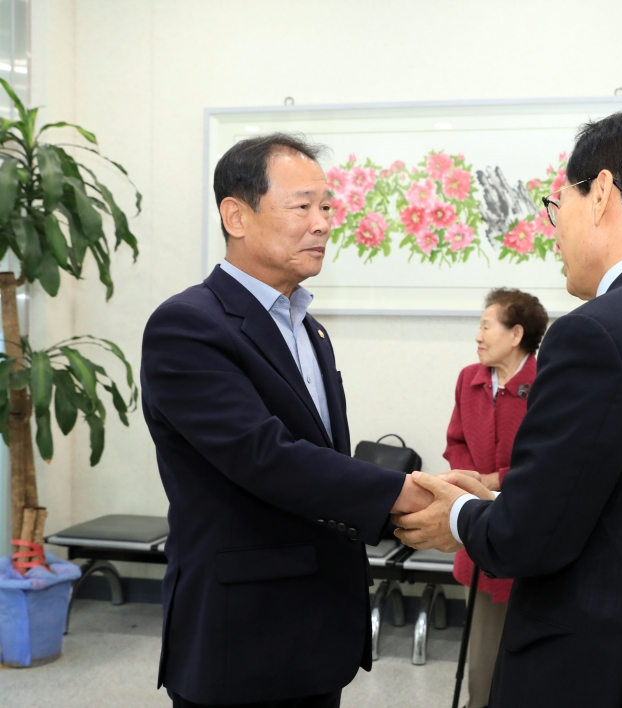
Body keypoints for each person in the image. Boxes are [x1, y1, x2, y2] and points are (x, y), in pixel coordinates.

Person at [394, 112, 622, 708]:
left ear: (601, 192)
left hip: (600, 671)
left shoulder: (594, 333)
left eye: (557, 204)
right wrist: (503, 501)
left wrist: (457, 515)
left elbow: (530, 540)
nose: (554, 227)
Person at [141, 133, 431, 708]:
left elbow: (320, 456)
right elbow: (264, 456)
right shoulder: (188, 325)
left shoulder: (306, 326)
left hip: (316, 627)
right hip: (242, 631)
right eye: (302, 207)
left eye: (327, 207)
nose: (322, 224)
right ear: (236, 216)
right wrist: (407, 493)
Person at [444, 287, 547, 708]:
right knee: (484, 661)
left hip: (531, 526)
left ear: (516, 333)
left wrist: (497, 480)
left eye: (487, 326)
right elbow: (456, 442)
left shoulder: (546, 382)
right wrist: (473, 481)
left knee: (530, 658)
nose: (479, 336)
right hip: (480, 522)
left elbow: (549, 459)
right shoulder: (469, 379)